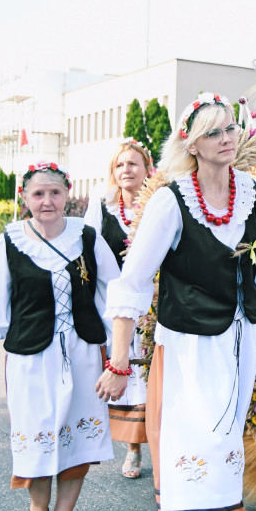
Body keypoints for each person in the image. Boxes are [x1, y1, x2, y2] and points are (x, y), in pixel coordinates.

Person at [102, 92, 256, 511]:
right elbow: (132, 282)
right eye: (214, 133)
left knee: (221, 445)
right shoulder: (171, 200)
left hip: (240, 339)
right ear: (192, 145)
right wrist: (118, 358)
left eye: (231, 129)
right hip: (187, 346)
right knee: (204, 443)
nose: (227, 139)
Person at [0, 161, 120, 511]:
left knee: (75, 436)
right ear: (25, 198)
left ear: (67, 195)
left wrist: (122, 350)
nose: (47, 201)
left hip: (83, 351)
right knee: (37, 434)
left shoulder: (87, 237)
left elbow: (114, 291)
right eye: (38, 194)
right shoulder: (9, 241)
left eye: (55, 192)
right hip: (31, 357)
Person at [84, 139, 154, 478]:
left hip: (152, 304)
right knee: (124, 369)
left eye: (133, 164)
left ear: (146, 170)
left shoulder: (158, 206)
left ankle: (147, 444)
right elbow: (85, 252)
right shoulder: (103, 208)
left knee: (150, 374)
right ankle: (132, 448)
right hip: (112, 305)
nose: (126, 170)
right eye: (120, 165)